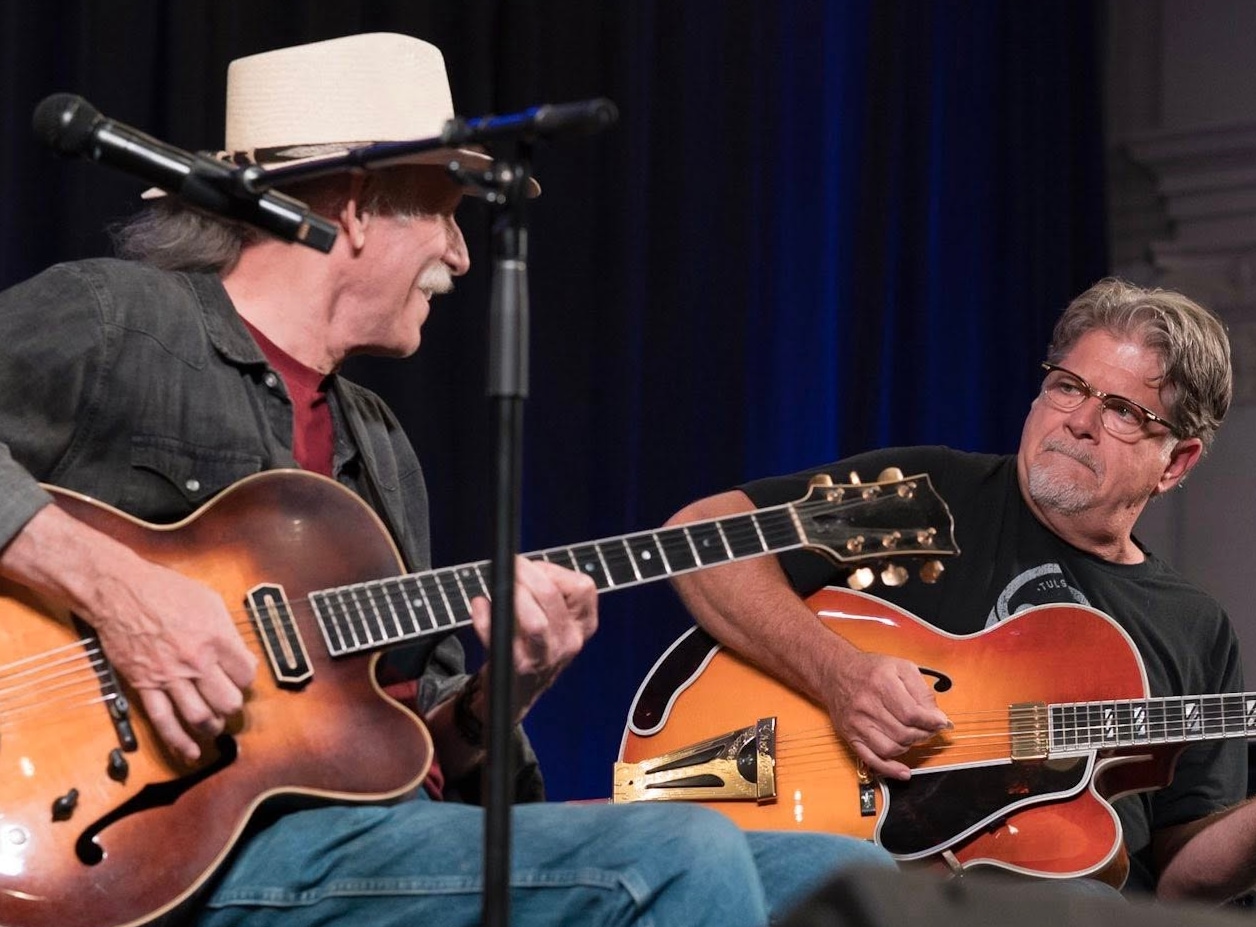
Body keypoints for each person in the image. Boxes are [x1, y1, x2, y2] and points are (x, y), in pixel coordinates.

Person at [0, 32, 892, 927]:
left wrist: (501, 693)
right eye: (442, 212)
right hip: (164, 844)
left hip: (370, 843)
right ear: (353, 208)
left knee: (849, 876)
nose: (463, 257)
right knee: (677, 853)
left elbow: (412, 753)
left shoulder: (381, 448)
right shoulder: (121, 320)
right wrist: (122, 595)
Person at [665, 278, 1256, 904]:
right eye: (1067, 386)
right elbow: (702, 537)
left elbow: (1183, 881)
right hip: (868, 875)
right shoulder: (929, 497)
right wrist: (837, 675)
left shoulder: (1195, 627)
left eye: (1124, 412)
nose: (1080, 421)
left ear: (1176, 462)